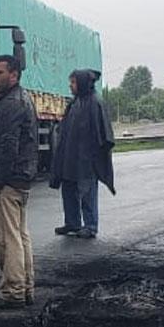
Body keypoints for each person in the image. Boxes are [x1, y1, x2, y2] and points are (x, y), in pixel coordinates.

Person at [0, 54, 39, 309]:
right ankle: (24, 287)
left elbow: (8, 144)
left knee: (6, 237)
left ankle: (13, 290)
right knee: (19, 234)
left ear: (13, 75)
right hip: (21, 176)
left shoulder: (10, 104)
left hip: (9, 179)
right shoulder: (19, 99)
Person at [49, 68, 115, 239]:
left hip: (86, 159)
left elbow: (104, 134)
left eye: (73, 82)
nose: (70, 86)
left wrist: (94, 156)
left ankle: (90, 225)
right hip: (70, 157)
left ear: (82, 83)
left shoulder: (95, 103)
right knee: (69, 189)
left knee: (87, 191)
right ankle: (72, 223)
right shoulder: (75, 102)